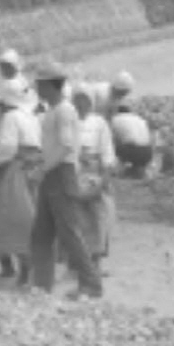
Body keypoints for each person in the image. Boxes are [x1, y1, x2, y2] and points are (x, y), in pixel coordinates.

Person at [24, 61, 103, 299]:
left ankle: (91, 283)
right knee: (41, 232)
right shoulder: (53, 111)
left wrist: (43, 168)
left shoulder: (64, 111)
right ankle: (42, 285)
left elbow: (66, 146)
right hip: (53, 173)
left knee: (69, 232)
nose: (37, 89)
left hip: (61, 173)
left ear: (49, 85)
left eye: (39, 84)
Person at [0, 77, 40, 283]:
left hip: (12, 171)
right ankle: (26, 266)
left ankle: (17, 267)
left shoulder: (11, 118)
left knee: (8, 218)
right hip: (32, 170)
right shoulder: (31, 117)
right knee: (28, 216)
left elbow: (7, 148)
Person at [71, 86, 118, 274]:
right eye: (78, 100)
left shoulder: (99, 123)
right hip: (73, 174)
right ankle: (77, 262)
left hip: (95, 174)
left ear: (92, 103)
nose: (82, 104)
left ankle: (96, 262)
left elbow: (107, 152)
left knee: (100, 217)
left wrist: (104, 178)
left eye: (86, 100)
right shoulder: (68, 121)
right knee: (75, 220)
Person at [108, 75, 154, 177]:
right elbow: (150, 138)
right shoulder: (140, 119)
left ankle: (118, 171)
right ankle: (139, 170)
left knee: (114, 142)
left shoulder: (115, 119)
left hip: (131, 151)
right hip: (148, 153)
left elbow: (111, 141)